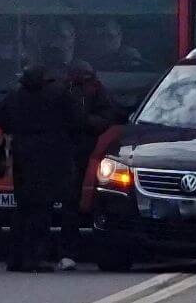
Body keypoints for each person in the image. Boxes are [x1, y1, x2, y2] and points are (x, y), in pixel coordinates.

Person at [0, 65, 82, 273]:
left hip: (22, 153)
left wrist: (16, 129)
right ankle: (34, 258)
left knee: (23, 207)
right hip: (50, 155)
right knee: (42, 209)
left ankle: (15, 258)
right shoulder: (58, 94)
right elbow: (77, 120)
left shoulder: (16, 94)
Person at [58, 61, 122, 271]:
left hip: (78, 151)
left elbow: (106, 115)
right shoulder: (58, 89)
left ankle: (67, 251)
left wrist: (86, 124)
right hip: (55, 151)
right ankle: (40, 250)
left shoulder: (95, 90)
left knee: (70, 201)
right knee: (44, 202)